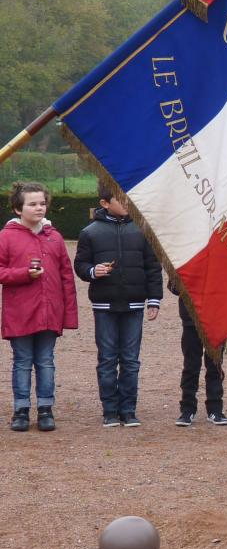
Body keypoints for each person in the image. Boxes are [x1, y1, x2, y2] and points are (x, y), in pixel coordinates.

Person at [74, 182, 161, 428]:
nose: (127, 203)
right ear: (105, 203)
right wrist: (92, 271)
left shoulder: (143, 230)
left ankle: (129, 410)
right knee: (107, 358)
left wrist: (154, 299)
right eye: (121, 199)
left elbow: (153, 267)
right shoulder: (89, 232)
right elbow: (80, 266)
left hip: (134, 305)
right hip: (104, 305)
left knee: (131, 360)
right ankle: (110, 411)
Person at [2, 182, 77, 432]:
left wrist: (68, 313)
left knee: (46, 361)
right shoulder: (6, 237)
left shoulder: (54, 237)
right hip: (20, 312)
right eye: (32, 204)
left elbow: (66, 275)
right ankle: (21, 409)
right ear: (17, 209)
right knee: (22, 361)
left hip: (49, 311)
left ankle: (46, 408)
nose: (39, 208)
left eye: (42, 203)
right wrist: (24, 274)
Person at [171, 276, 227, 426]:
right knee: (191, 365)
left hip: (216, 316)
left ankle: (215, 408)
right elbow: (173, 287)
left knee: (215, 364)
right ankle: (187, 409)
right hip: (191, 317)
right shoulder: (185, 253)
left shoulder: (222, 255)